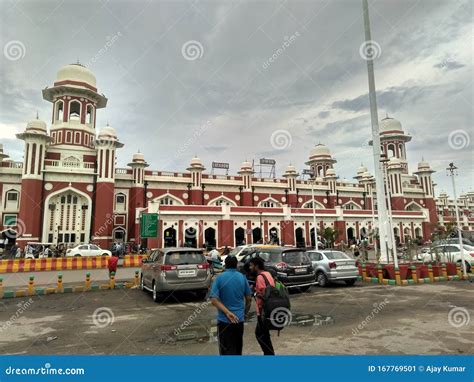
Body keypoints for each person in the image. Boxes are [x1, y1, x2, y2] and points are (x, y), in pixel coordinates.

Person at [210, 256, 252, 355]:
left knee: (226, 350)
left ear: (225, 264)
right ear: (236, 264)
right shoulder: (242, 277)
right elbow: (249, 299)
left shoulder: (219, 278)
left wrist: (227, 313)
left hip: (224, 321)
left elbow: (213, 300)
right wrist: (244, 313)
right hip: (239, 320)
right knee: (237, 349)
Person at [248, 257, 275, 355]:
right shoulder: (267, 274)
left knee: (260, 335)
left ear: (257, 266)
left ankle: (269, 355)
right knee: (264, 335)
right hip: (269, 310)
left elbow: (264, 293)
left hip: (263, 311)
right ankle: (269, 354)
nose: (250, 267)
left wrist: (254, 292)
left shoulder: (260, 277)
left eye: (252, 265)